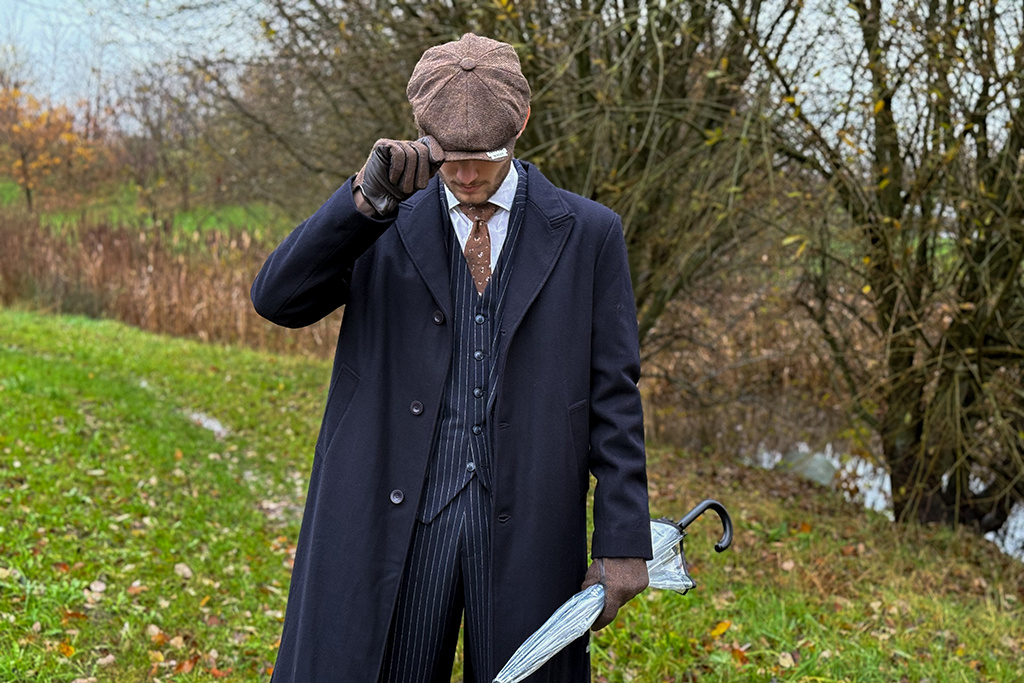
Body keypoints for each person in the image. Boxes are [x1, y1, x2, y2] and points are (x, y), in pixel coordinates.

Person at [251, 33, 651, 683]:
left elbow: (614, 392)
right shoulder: (379, 221)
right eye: (448, 157)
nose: (465, 175)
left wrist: (624, 539)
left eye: (484, 158)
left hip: (529, 523)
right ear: (421, 135)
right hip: (399, 522)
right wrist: (361, 203)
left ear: (522, 123)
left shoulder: (589, 233)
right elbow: (278, 300)